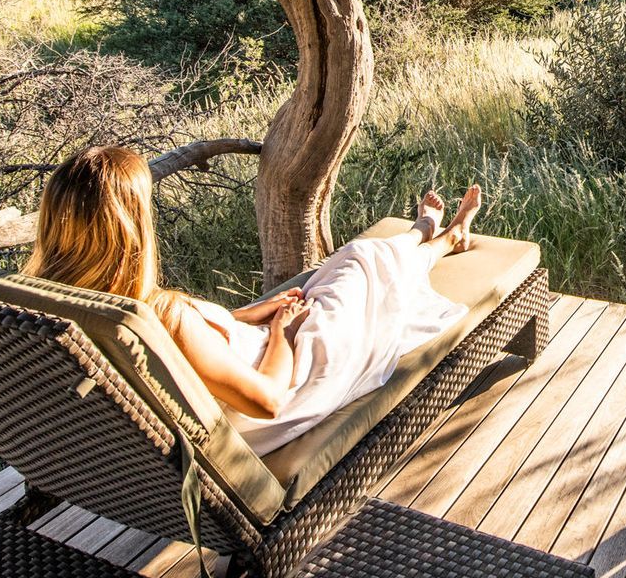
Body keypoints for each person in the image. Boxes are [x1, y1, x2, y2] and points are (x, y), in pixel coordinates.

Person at [26, 144, 482, 454]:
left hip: (256, 353)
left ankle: (427, 234)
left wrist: (245, 317)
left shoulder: (49, 311)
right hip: (297, 373)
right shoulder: (161, 317)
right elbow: (267, 401)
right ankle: (437, 237)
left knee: (341, 271)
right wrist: (282, 331)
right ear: (129, 229)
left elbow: (192, 358)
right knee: (360, 258)